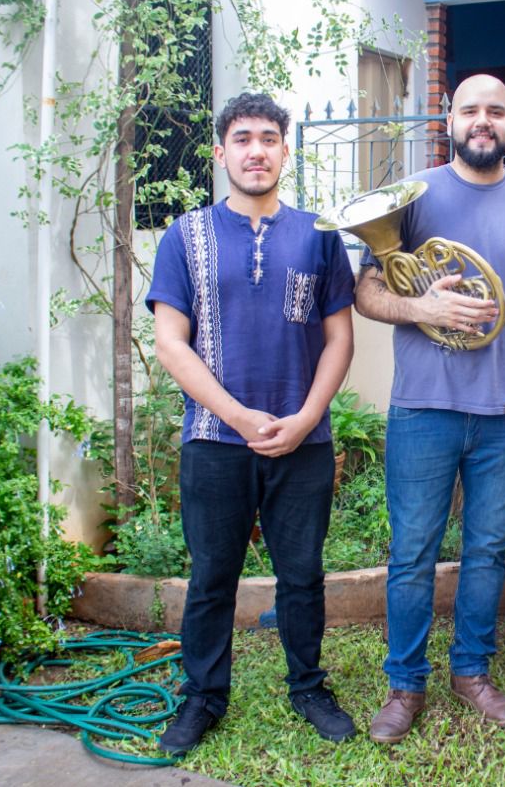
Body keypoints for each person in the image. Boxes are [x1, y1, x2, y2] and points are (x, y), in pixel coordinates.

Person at [354, 74, 505, 743]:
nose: (483, 121)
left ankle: (471, 671)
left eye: (497, 111)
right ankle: (404, 684)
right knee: (413, 552)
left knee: (487, 551)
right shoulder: (412, 198)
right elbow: (367, 290)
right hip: (423, 406)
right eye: (471, 110)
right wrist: (422, 307)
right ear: (449, 118)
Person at [147, 92, 357, 753]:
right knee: (212, 575)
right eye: (243, 138)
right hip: (215, 442)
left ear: (285, 151)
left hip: (303, 440)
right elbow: (170, 343)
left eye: (269, 138)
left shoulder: (319, 234)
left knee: (303, 573)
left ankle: (309, 687)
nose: (257, 149)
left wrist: (306, 417)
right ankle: (203, 698)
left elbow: (341, 338)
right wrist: (238, 415)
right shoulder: (185, 236)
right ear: (220, 152)